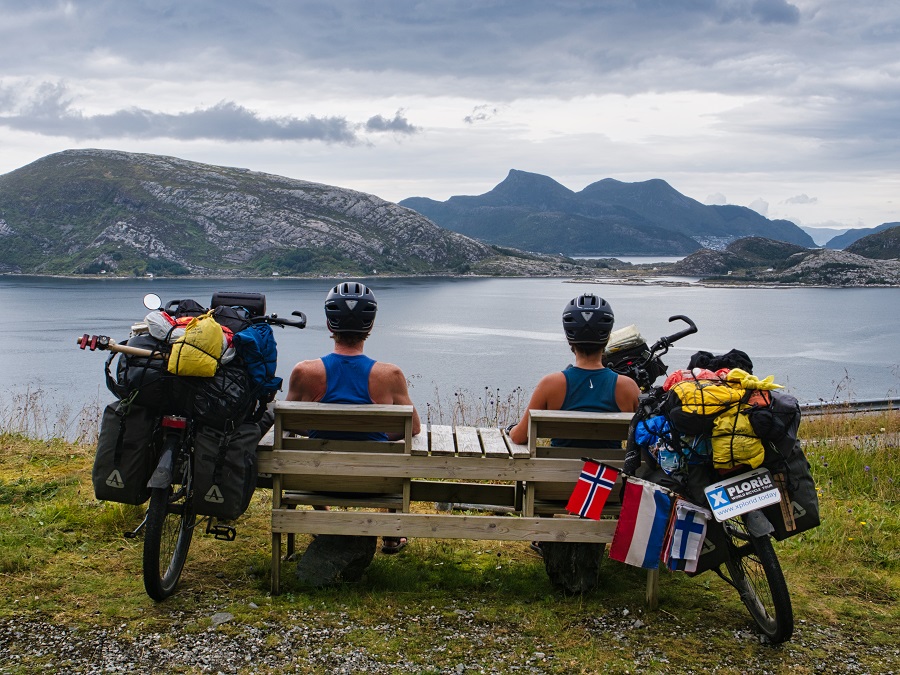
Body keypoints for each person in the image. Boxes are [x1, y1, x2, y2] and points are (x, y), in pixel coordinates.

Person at [286, 281, 421, 554]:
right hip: (375, 481)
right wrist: (378, 434)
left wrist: (319, 428)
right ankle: (391, 534)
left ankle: (324, 517)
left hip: (316, 479)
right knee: (393, 455)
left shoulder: (304, 372)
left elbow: (289, 422)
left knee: (315, 452)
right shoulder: (390, 376)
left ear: (328, 324)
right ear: (369, 327)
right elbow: (413, 428)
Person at [506, 293, 640, 556]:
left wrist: (511, 430)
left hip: (554, 484)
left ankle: (549, 537)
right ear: (608, 337)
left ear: (569, 340)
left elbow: (519, 437)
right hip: (607, 487)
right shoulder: (627, 387)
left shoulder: (551, 384)